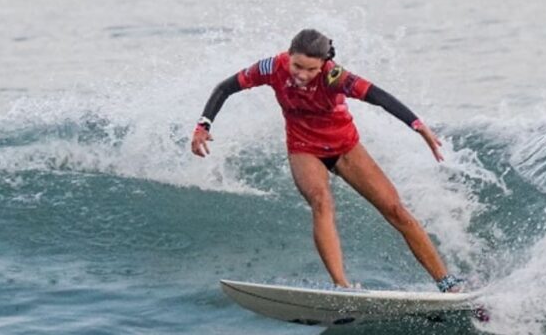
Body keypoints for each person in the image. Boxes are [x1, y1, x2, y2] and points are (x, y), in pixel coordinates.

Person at [191, 28, 463, 292]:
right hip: (303, 148)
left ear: (323, 64)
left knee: (396, 210)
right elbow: (224, 88)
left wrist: (419, 126)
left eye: (312, 69)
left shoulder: (335, 76)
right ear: (289, 55)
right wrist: (204, 125)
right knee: (321, 201)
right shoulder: (271, 67)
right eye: (298, 66)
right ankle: (341, 286)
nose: (302, 75)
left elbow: (380, 97)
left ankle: (446, 283)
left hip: (345, 146)